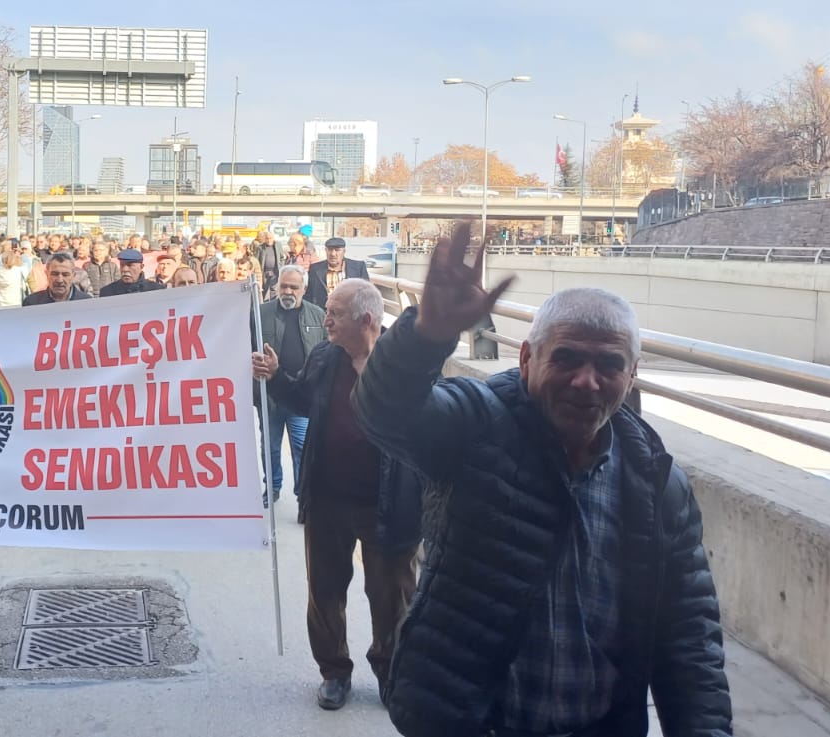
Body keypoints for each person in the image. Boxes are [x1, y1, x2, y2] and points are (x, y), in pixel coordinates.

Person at [355, 223, 731, 736]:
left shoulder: (656, 485)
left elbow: (690, 642)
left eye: (609, 365)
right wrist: (425, 338)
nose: (586, 381)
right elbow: (384, 412)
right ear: (528, 358)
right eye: (568, 358)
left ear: (633, 374)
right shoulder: (477, 425)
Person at [251, 278, 422, 712]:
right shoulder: (326, 356)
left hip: (389, 503)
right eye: (326, 309)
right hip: (327, 498)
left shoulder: (403, 364)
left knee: (392, 597)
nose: (324, 319)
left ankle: (390, 672)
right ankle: (334, 672)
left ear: (366, 320)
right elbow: (306, 400)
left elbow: (430, 424)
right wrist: (276, 378)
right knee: (324, 591)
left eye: (335, 313)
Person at [254, 266, 325, 504]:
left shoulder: (318, 316)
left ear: (303, 289)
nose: (287, 291)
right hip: (270, 395)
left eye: (294, 287)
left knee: (302, 448)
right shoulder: (258, 314)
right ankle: (272, 489)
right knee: (271, 447)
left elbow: (328, 351)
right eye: (283, 286)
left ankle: (303, 494)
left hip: (301, 397)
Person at [306, 237, 370, 309]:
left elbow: (367, 294)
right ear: (325, 250)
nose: (333, 254)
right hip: (323, 313)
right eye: (330, 250)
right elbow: (309, 295)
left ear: (344, 251)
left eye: (337, 250)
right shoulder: (315, 269)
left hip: (350, 313)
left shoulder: (358, 267)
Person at [23, 253, 92, 305]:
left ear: (73, 276)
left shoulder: (87, 302)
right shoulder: (31, 303)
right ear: (46, 274)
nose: (60, 280)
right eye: (55, 274)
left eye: (65, 275)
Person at [100, 249, 164, 297]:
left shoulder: (156, 290)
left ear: (141, 267)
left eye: (130, 265)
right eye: (122, 265)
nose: (125, 269)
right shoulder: (107, 292)